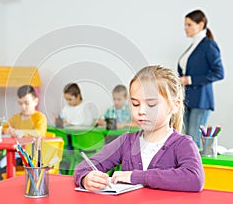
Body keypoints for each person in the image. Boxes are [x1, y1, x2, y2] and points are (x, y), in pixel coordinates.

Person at [74, 65, 204, 192]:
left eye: (151, 104)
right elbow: (83, 167)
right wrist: (86, 178)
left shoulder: (183, 144)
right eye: (135, 104)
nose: (141, 111)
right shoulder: (125, 141)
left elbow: (194, 179)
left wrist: (135, 176)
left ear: (174, 106)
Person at [178, 9, 224, 148]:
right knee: (185, 139)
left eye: (189, 24)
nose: (185, 28)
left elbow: (219, 73)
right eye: (185, 24)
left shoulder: (209, 45)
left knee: (193, 141)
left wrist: (190, 80)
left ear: (200, 24)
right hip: (187, 99)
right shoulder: (193, 46)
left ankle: (194, 170)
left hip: (201, 100)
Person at [0, 85, 47, 181]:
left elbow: (40, 133)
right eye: (20, 103)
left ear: (35, 102)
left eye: (26, 103)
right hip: (17, 153)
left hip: (33, 156)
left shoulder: (39, 117)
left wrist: (22, 132)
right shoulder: (16, 118)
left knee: (2, 167)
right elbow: (2, 127)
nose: (23, 107)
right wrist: (7, 130)